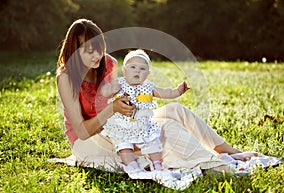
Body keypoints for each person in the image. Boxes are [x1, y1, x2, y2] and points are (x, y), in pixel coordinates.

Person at [56, 18, 253, 174]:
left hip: (116, 127)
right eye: (89, 51)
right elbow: (82, 131)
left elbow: (125, 96)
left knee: (175, 110)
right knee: (164, 129)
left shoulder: (108, 63)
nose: (97, 55)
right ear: (75, 51)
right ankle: (212, 164)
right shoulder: (66, 77)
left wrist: (132, 109)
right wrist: (113, 109)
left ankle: (229, 152)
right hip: (88, 141)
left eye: (99, 48)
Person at [100, 49, 190, 171]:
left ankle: (157, 163)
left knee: (153, 143)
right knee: (124, 146)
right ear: (124, 70)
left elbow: (166, 92)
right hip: (122, 125)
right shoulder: (119, 84)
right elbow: (104, 92)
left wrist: (178, 91)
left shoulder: (149, 87)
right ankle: (132, 165)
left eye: (142, 69)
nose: (137, 70)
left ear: (148, 74)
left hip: (143, 126)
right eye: (132, 67)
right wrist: (109, 88)